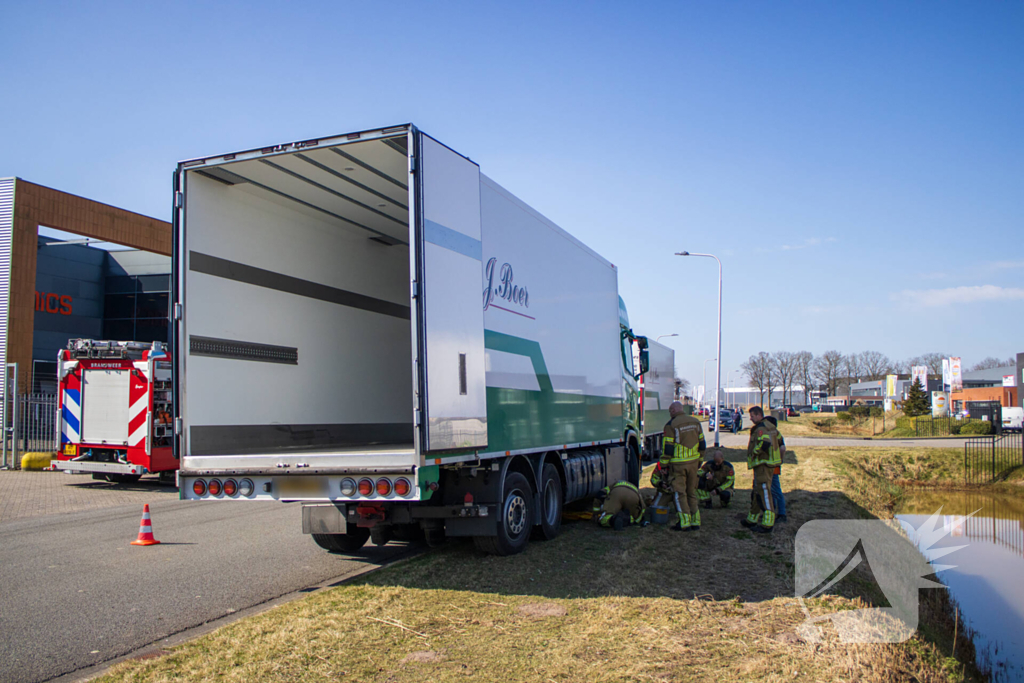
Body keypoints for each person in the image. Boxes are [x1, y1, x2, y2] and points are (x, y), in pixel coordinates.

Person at [662, 400, 706, 531]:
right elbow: (702, 444)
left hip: (678, 465)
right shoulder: (695, 422)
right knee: (691, 492)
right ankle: (695, 521)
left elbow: (668, 448)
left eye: (670, 411)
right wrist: (700, 460)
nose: (670, 414)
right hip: (694, 463)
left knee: (679, 493)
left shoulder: (671, 425)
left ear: (674, 411)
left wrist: (664, 465)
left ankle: (684, 522)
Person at [743, 405, 781, 534]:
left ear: (759, 415)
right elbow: (780, 442)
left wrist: (754, 453)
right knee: (757, 492)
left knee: (764, 492)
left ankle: (768, 523)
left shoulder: (761, 428)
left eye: (752, 416)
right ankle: (752, 518)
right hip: (767, 464)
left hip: (763, 464)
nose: (751, 419)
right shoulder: (771, 427)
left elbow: (765, 443)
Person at [764, 414, 788, 523]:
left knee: (775, 489)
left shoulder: (773, 435)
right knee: (772, 490)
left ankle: (781, 513)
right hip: (773, 465)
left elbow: (783, 448)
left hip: (772, 466)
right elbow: (782, 448)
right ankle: (773, 511)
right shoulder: (777, 434)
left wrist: (779, 461)